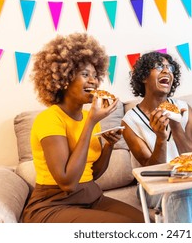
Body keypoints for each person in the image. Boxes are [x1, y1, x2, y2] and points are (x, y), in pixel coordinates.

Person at [21, 33, 144, 223]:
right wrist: (91, 124)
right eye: (85, 74)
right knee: (124, 227)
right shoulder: (49, 119)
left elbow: (92, 174)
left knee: (143, 222)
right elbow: (68, 183)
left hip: (91, 196)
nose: (93, 81)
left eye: (95, 76)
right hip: (53, 204)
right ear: (65, 78)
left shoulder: (88, 117)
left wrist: (108, 146)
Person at [122, 51, 192, 223]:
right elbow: (152, 173)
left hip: (188, 175)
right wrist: (160, 139)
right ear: (143, 77)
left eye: (169, 67)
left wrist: (176, 125)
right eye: (158, 67)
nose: (166, 71)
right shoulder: (130, 121)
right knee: (183, 189)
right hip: (152, 183)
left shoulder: (184, 108)